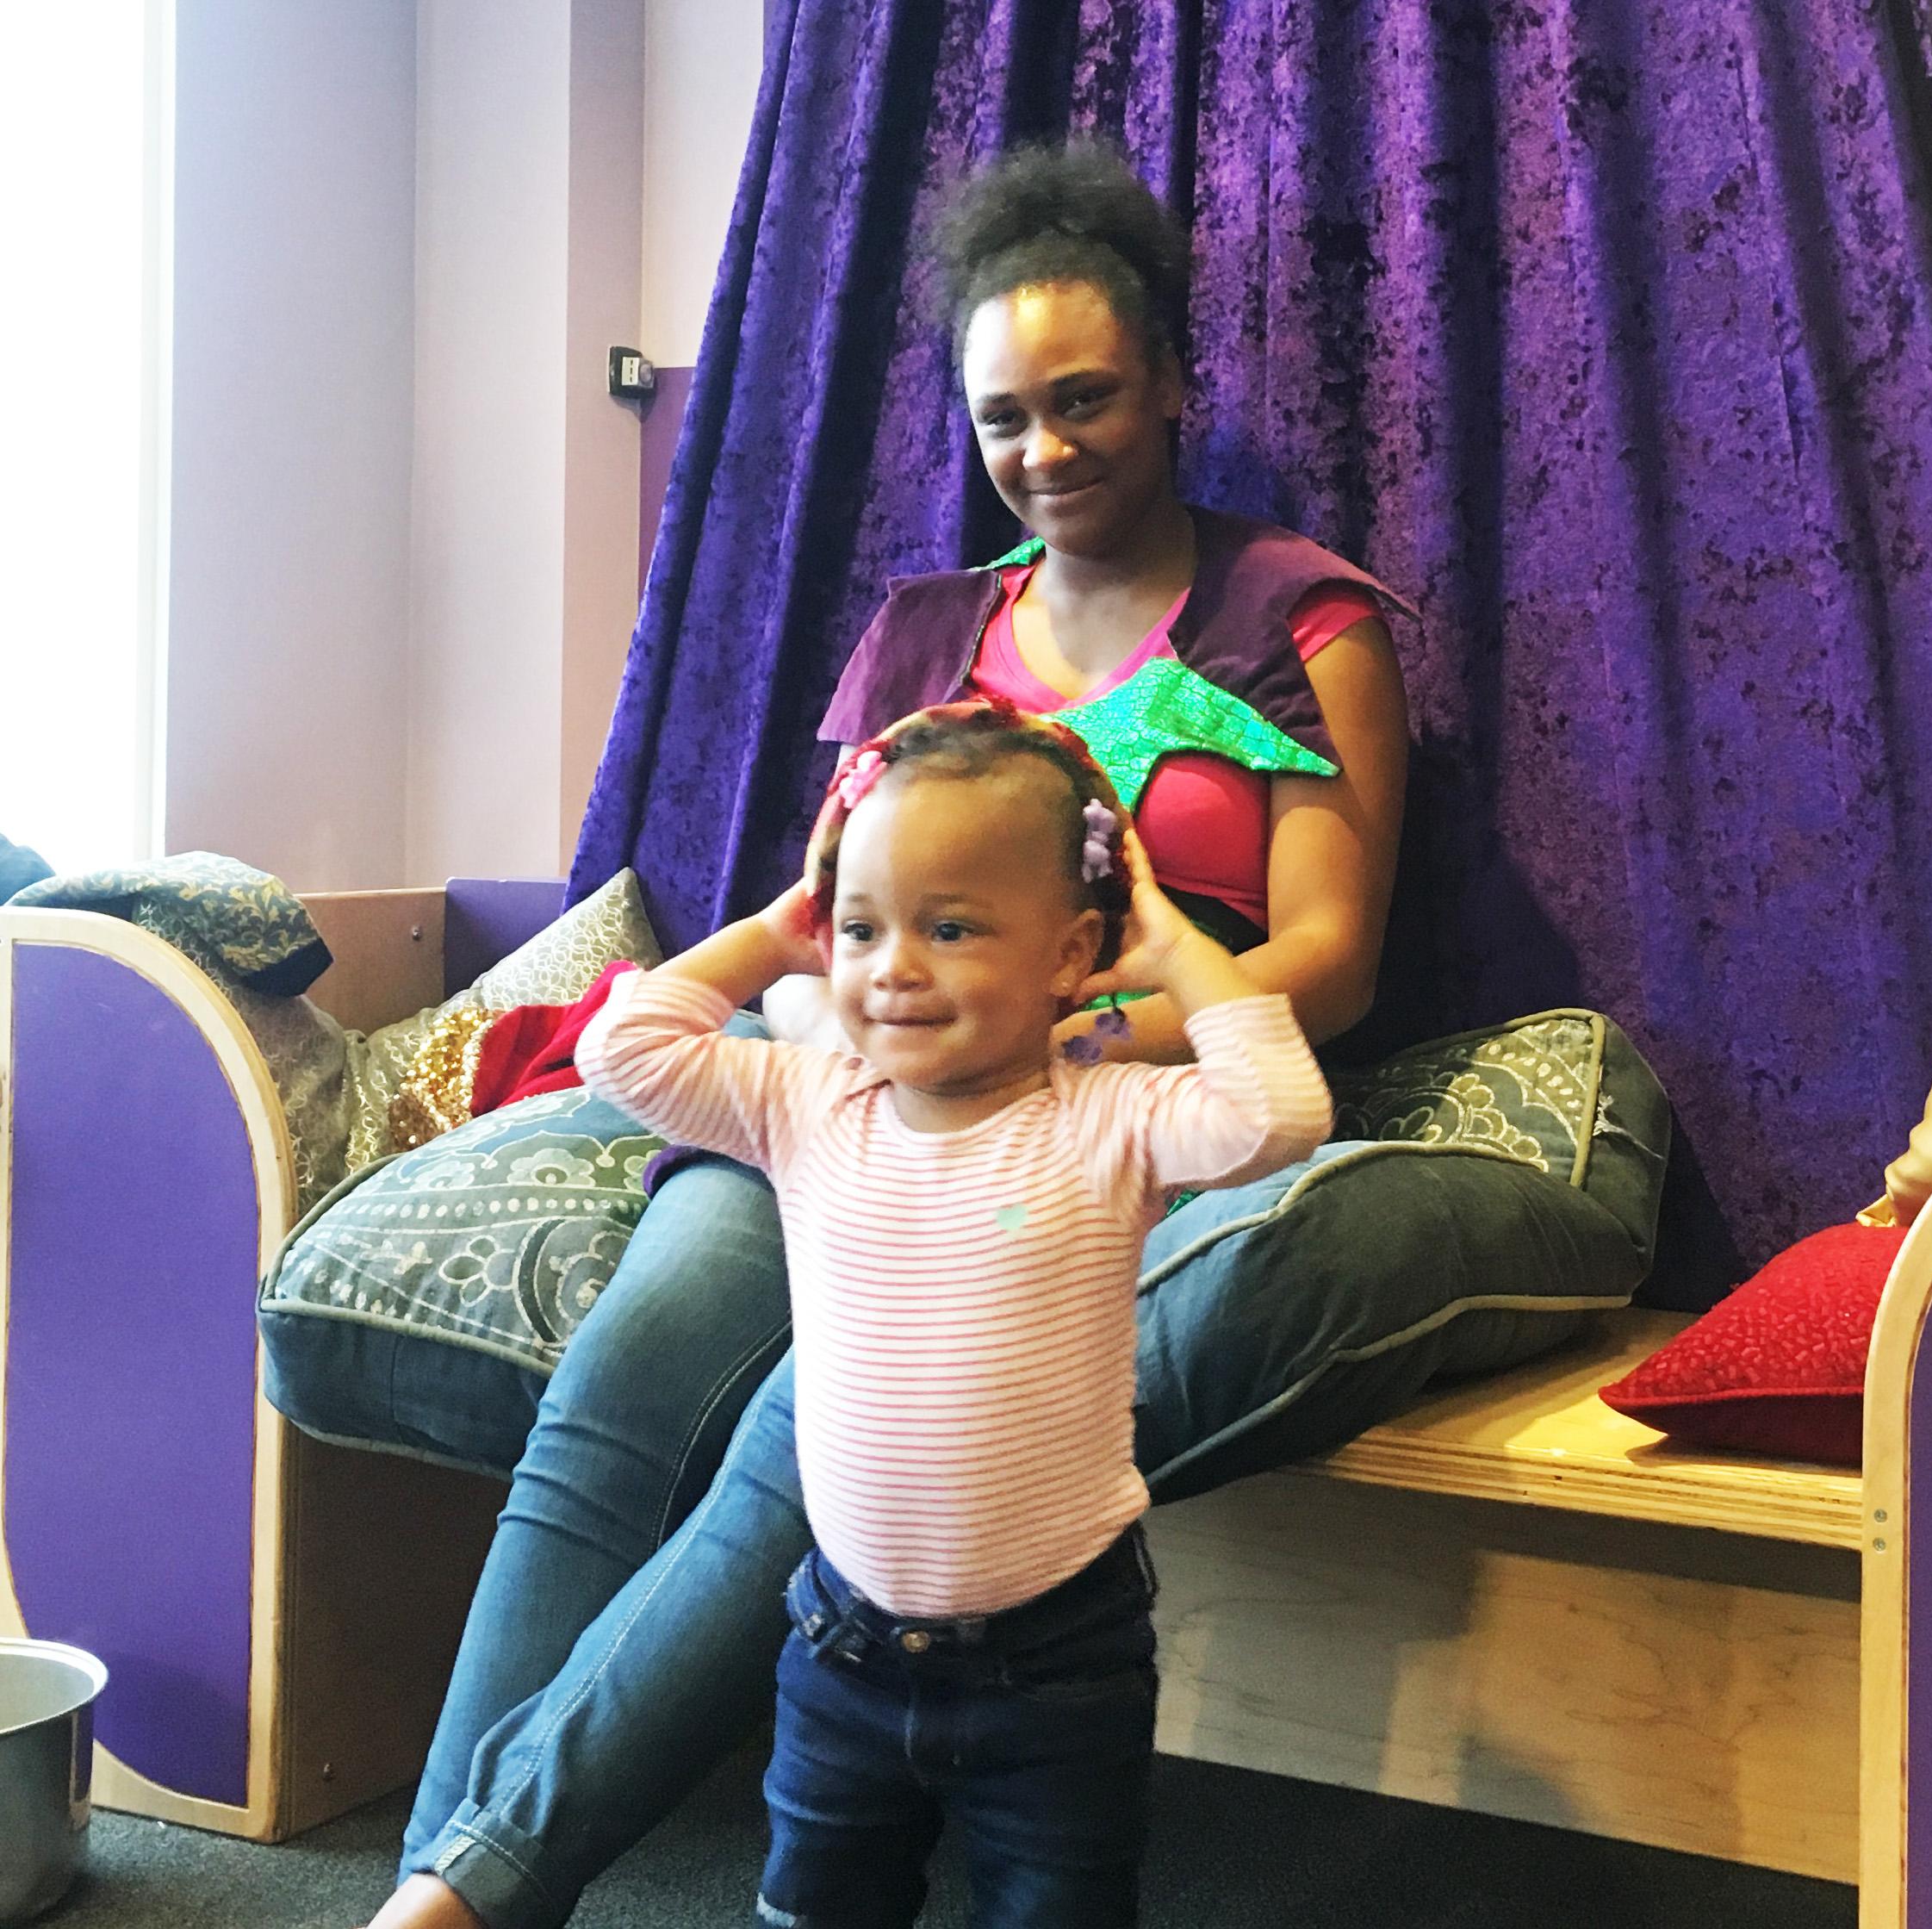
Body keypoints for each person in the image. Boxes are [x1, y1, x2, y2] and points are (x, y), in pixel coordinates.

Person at [366, 141, 1438, 1929]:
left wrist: (1064, 1032)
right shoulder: (925, 631)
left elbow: (1330, 954)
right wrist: (863, 1035)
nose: (1049, 450)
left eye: (1087, 399)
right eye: (1007, 416)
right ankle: (431, 1880)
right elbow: (828, 909)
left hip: (1092, 1113)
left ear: (1175, 381)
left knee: (813, 1426)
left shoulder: (1293, 618)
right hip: (849, 1095)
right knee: (628, 1377)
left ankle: (484, 1887)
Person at [578, 700, 1328, 1926]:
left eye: (953, 927)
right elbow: (625, 1053)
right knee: (817, 1907)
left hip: (1061, 1666)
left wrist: (1178, 947)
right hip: (840, 1646)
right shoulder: (809, 1101)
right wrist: (775, 933)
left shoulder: (1110, 1116)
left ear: (1074, 955)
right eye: (862, 928)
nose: (894, 969)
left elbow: (1279, 1113)